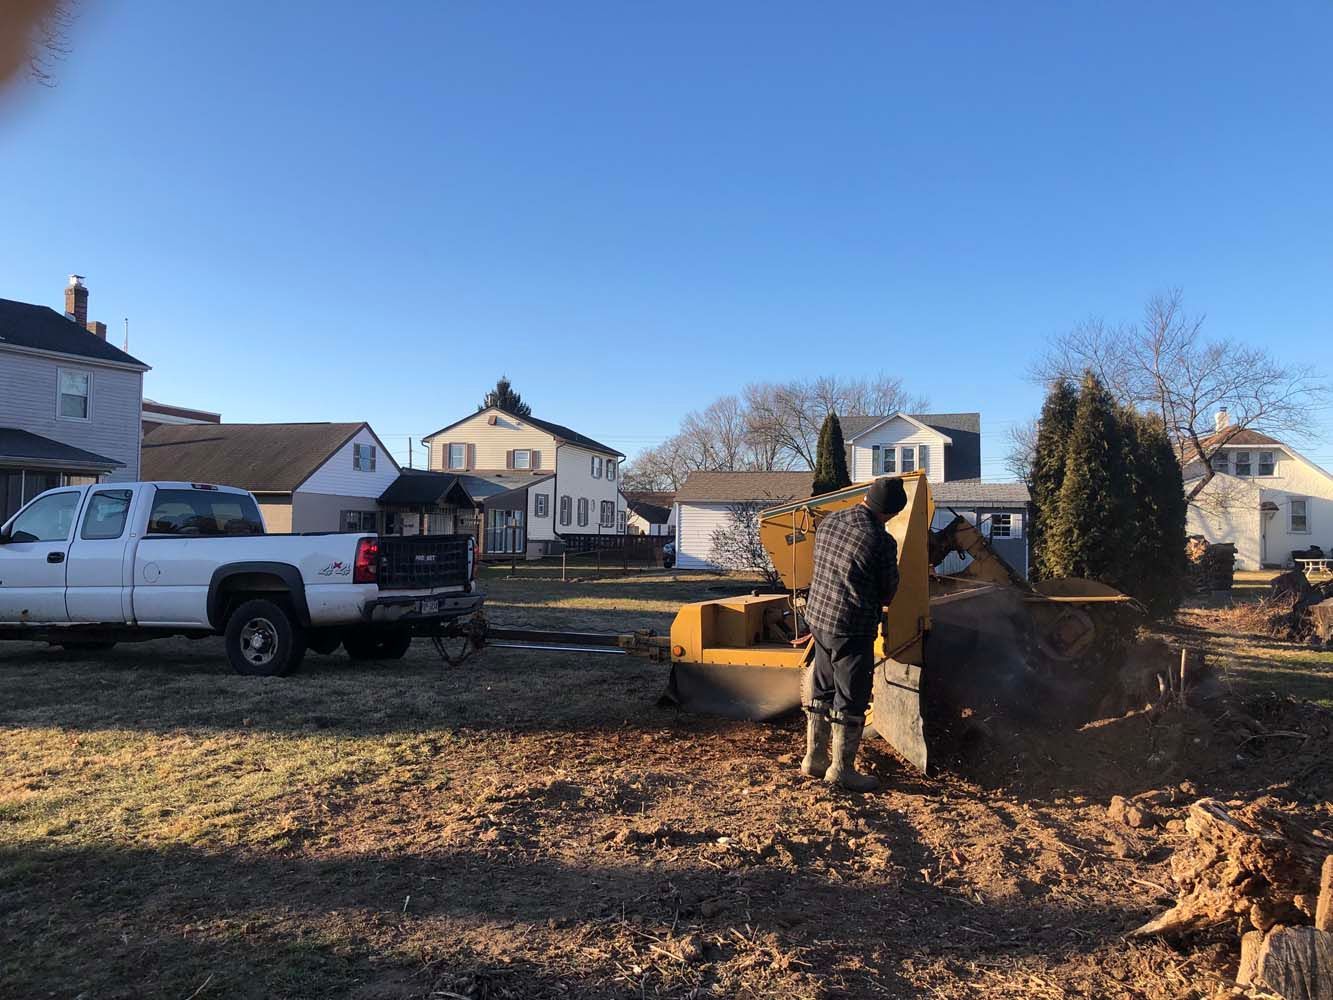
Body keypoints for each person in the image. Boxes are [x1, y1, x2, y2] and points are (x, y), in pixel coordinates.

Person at [799, 476, 906, 792]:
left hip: (819, 618)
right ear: (892, 512)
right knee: (851, 694)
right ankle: (842, 770)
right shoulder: (881, 541)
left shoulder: (831, 520)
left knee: (822, 684)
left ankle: (813, 759)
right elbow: (888, 594)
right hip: (851, 626)